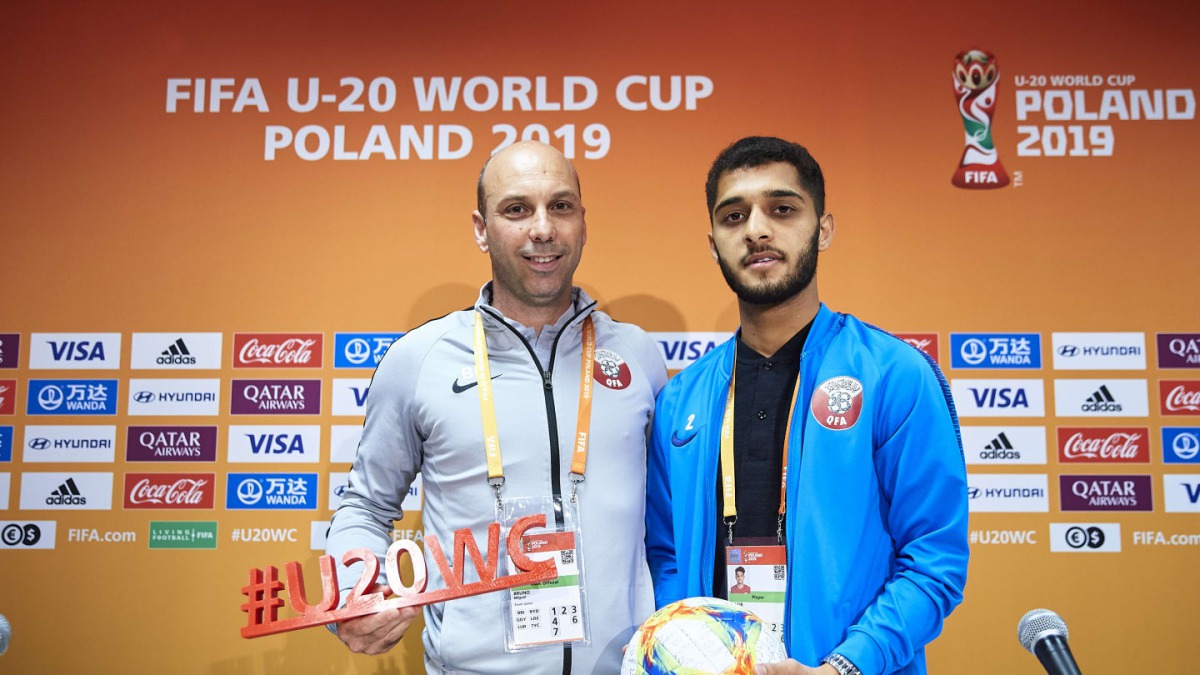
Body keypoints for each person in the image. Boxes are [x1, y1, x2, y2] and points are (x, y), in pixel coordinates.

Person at [327, 141, 668, 673]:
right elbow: (364, 506)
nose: (542, 229)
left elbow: (669, 524)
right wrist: (354, 588)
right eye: (517, 209)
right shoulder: (420, 359)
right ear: (481, 228)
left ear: (582, 220)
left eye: (560, 206)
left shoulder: (638, 356)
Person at [645, 136, 968, 675]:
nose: (756, 229)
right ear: (713, 243)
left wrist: (844, 667)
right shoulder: (682, 399)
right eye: (733, 216)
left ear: (824, 228)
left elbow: (934, 562)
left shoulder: (893, 374)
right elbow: (667, 556)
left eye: (782, 209)